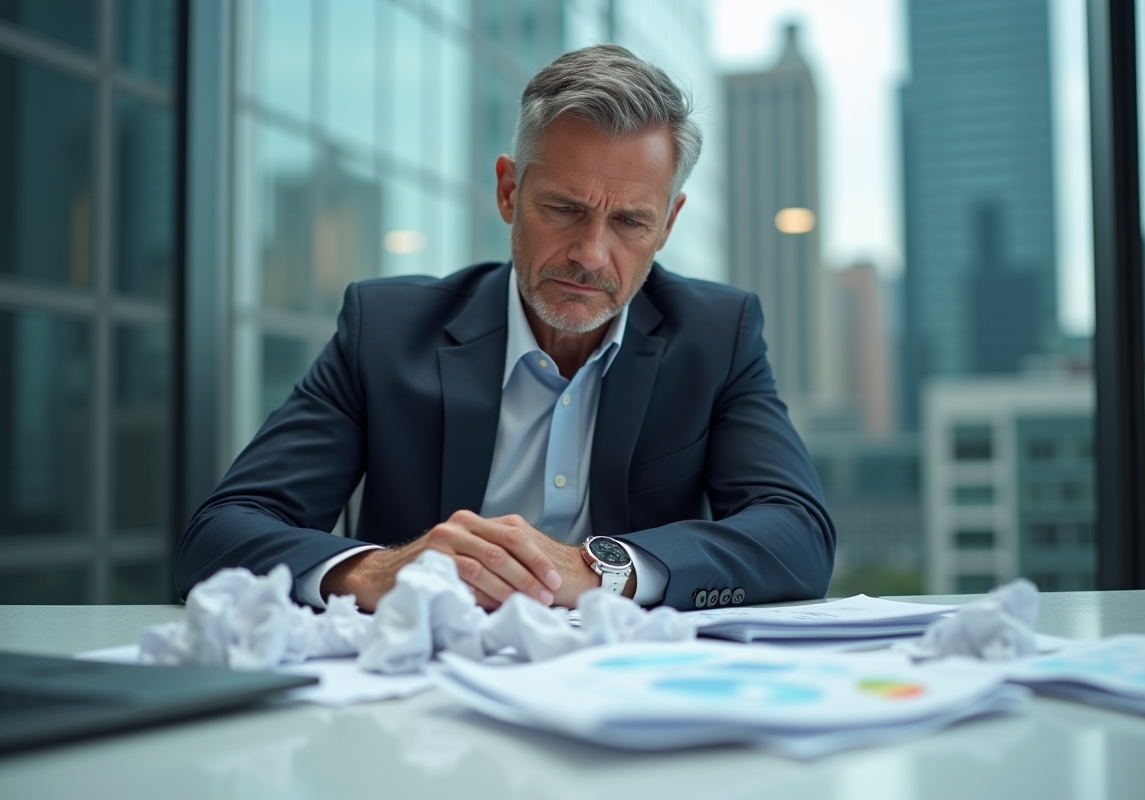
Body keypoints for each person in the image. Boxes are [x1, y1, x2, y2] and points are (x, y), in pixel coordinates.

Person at [175, 44, 835, 613]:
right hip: (414, 702)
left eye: (630, 222)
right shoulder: (383, 332)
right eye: (564, 209)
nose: (590, 254)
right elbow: (220, 535)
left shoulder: (717, 335)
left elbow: (798, 533)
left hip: (627, 690)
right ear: (508, 192)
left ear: (668, 224)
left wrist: (605, 569)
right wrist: (382, 572)